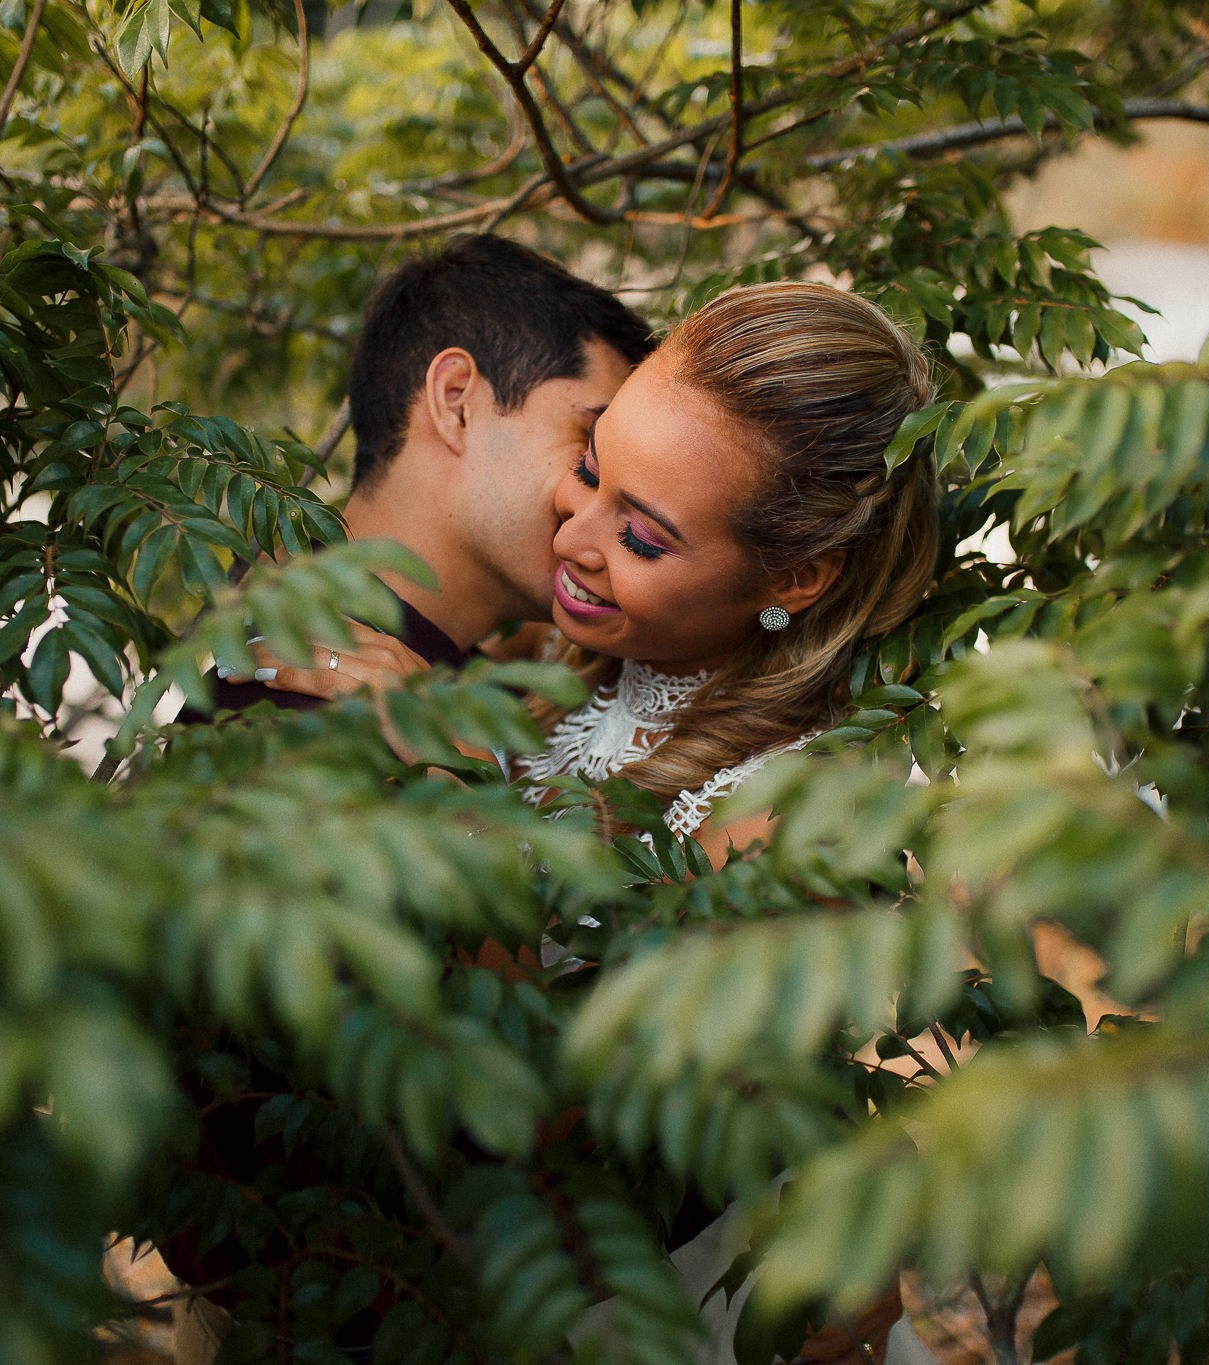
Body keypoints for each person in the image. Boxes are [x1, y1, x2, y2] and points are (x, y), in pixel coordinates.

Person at [254, 281, 944, 1363]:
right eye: (589, 469)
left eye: (643, 532)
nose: (572, 536)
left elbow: (562, 1154)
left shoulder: (792, 817)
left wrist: (465, 812)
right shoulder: (557, 677)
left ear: (795, 577)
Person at [165, 233, 652, 1365]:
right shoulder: (305, 709)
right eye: (588, 453)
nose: (604, 513)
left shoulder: (431, 671)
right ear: (454, 399)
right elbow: (481, 1139)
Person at [189, 231, 653, 718]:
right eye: (592, 444)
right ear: (456, 401)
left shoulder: (465, 694)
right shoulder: (291, 708)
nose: (608, 495)